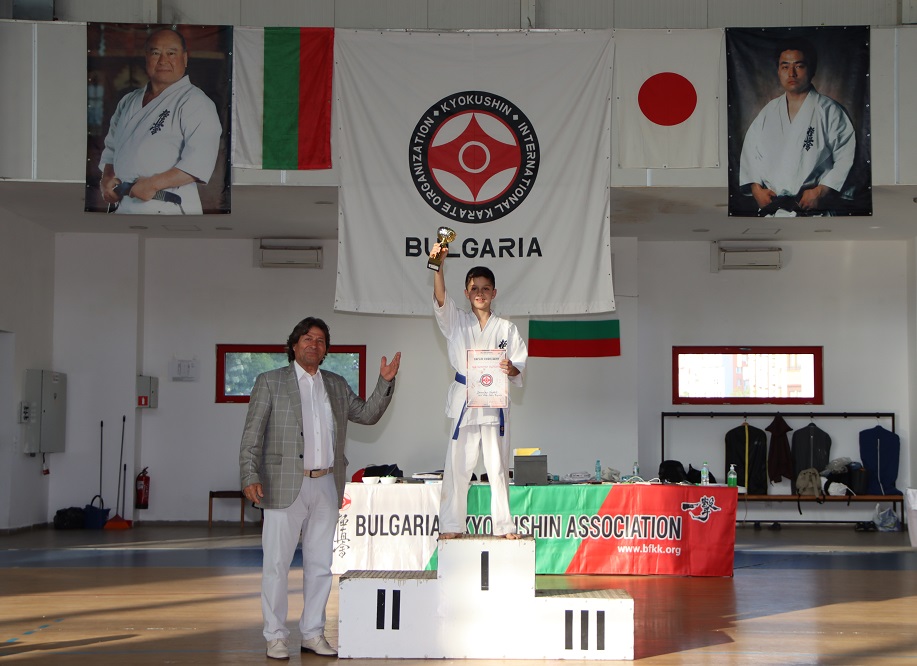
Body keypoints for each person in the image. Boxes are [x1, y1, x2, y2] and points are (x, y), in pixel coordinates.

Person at [239, 317, 401, 660]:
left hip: (327, 483)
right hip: (281, 484)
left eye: (321, 341)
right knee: (277, 565)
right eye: (308, 339)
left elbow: (367, 414)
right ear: (294, 344)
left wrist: (385, 382)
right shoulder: (270, 381)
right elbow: (252, 434)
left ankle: (312, 633)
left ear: (326, 350)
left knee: (320, 565)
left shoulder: (336, 384)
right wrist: (249, 475)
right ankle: (275, 636)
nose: (314, 345)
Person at [430, 244, 527, 539]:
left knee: (497, 467)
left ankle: (504, 526)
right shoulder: (456, 322)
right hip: (465, 401)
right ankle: (451, 525)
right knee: (457, 466)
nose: (480, 293)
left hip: (494, 403)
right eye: (474, 288)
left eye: (485, 288)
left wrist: (511, 369)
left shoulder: (507, 328)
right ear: (466, 292)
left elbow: (519, 365)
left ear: (494, 293)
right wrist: (438, 265)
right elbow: (440, 298)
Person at [99, 27, 221, 214]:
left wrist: (154, 184)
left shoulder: (196, 102)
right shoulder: (128, 101)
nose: (163, 60)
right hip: (124, 204)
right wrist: (107, 178)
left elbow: (199, 161)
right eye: (156, 53)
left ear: (185, 58)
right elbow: (112, 149)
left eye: (171, 53)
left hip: (168, 205)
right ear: (146, 58)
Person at [738, 38, 856, 216]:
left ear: (812, 69)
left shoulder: (830, 110)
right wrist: (756, 190)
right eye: (785, 66)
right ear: (778, 71)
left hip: (813, 211)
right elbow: (750, 154)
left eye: (799, 66)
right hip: (774, 210)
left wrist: (821, 191)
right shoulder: (768, 112)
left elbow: (846, 156)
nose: (791, 73)